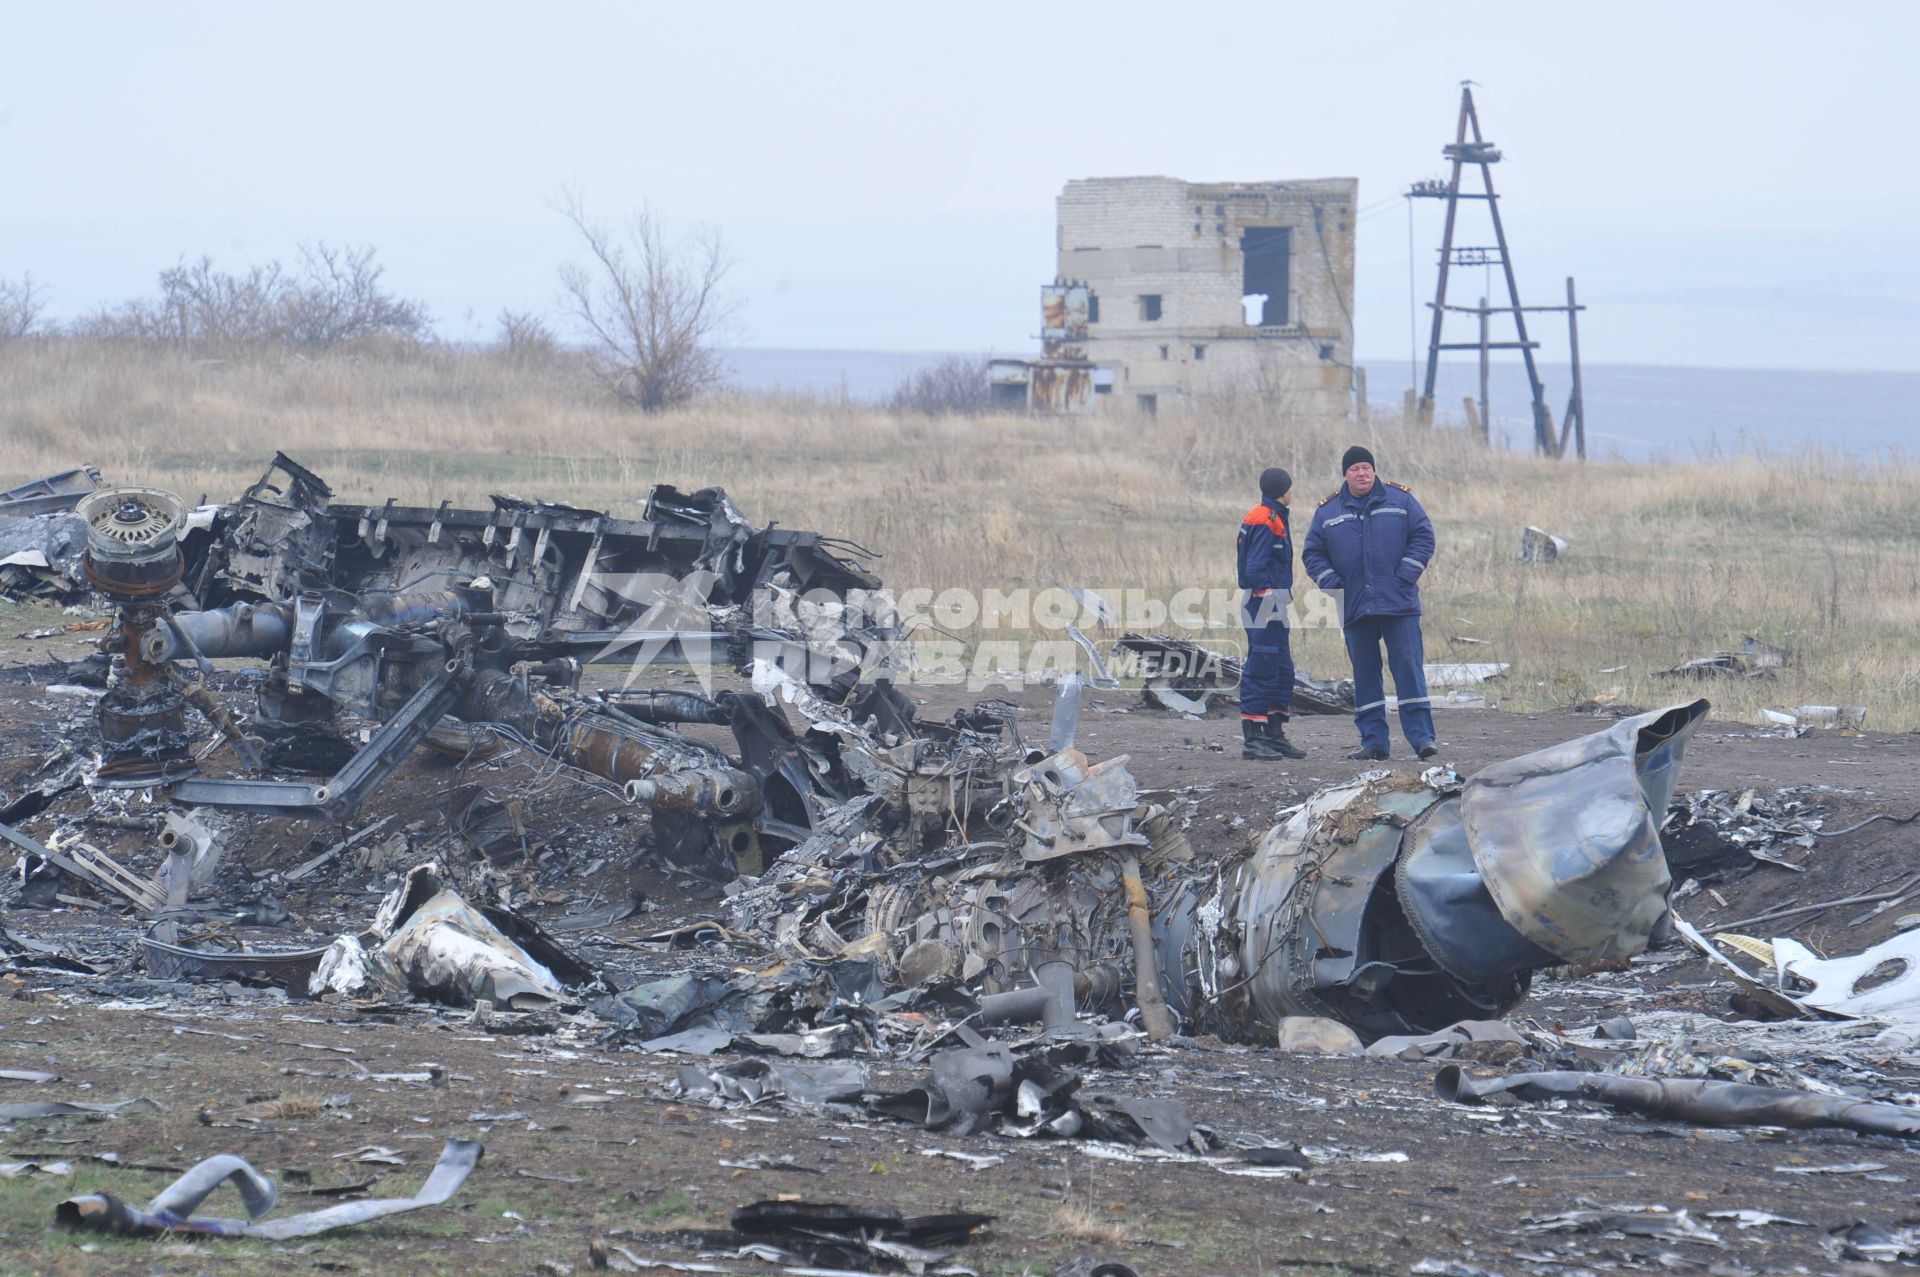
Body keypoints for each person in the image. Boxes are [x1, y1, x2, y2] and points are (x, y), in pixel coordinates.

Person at [1301, 445, 1439, 761]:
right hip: (1355, 607)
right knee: (1365, 674)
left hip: (1399, 603)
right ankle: (1374, 742)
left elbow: (1423, 536)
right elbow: (1312, 552)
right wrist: (1331, 582)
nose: (1362, 474)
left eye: (1367, 467)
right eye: (1355, 469)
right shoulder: (1328, 511)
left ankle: (1422, 740)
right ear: (1345, 474)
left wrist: (1407, 573)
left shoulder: (1401, 500)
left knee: (1408, 668)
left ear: (1373, 470)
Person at [1235, 467, 1306, 760]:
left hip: (1273, 603)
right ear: (1283, 491)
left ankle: (1274, 735)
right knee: (1261, 668)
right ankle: (1253, 740)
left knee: (1282, 669)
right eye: (1290, 488)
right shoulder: (1266, 520)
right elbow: (1254, 568)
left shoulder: (1272, 516)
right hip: (1263, 604)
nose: (1292, 492)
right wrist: (1269, 604)